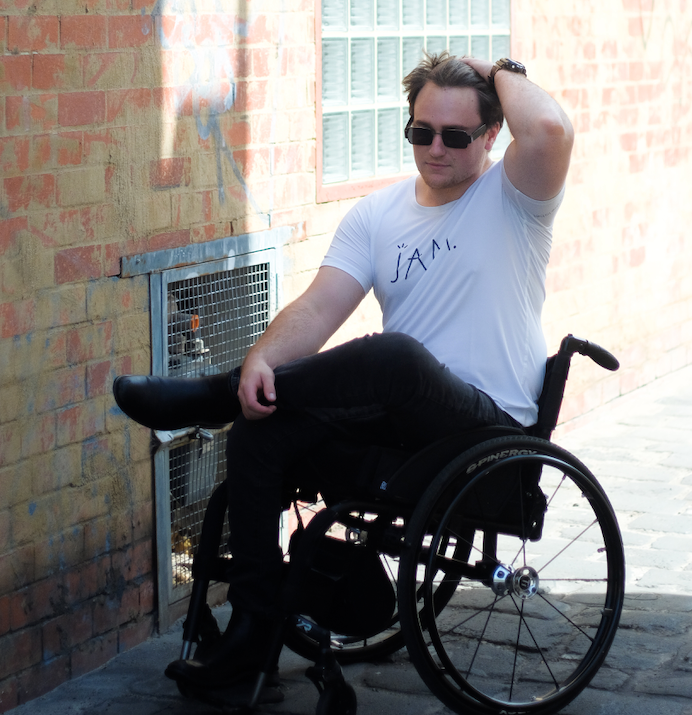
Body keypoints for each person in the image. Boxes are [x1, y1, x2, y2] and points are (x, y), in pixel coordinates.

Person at [116, 52, 573, 689]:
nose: (434, 148)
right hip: (398, 429)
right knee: (258, 430)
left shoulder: (517, 198)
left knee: (392, 354)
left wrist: (499, 70)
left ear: (492, 135)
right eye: (421, 132)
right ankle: (251, 635)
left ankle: (209, 395)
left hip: (486, 433)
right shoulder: (377, 215)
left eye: (455, 135)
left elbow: (550, 128)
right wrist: (261, 363)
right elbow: (318, 308)